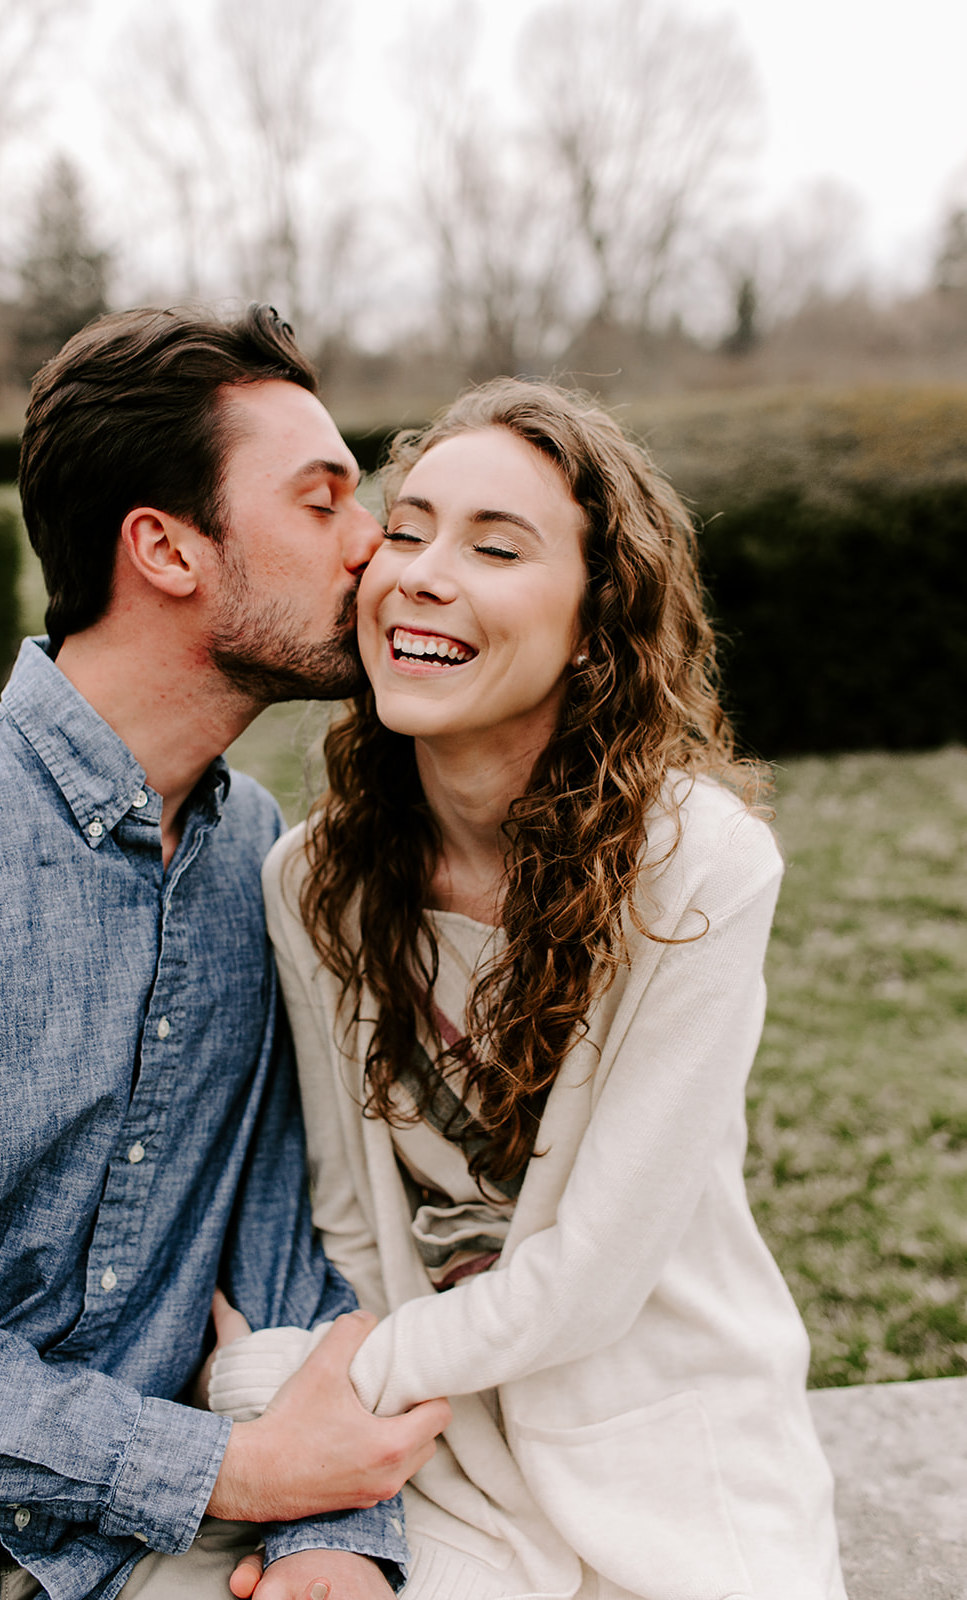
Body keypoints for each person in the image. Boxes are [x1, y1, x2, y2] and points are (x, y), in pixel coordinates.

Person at [209, 379, 847, 1599]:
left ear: (594, 618)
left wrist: (320, 1386)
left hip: (659, 1427)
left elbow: (594, 1272)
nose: (423, 573)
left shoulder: (696, 869)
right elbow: (352, 1218)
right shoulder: (310, 880)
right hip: (440, 1445)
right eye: (406, 529)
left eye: (495, 547)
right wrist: (344, 1460)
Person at [0, 304, 450, 1600]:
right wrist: (228, 1475)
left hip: (150, 1566)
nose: (372, 546)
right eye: (322, 503)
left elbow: (283, 1221)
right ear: (163, 547)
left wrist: (332, 1541)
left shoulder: (251, 850)